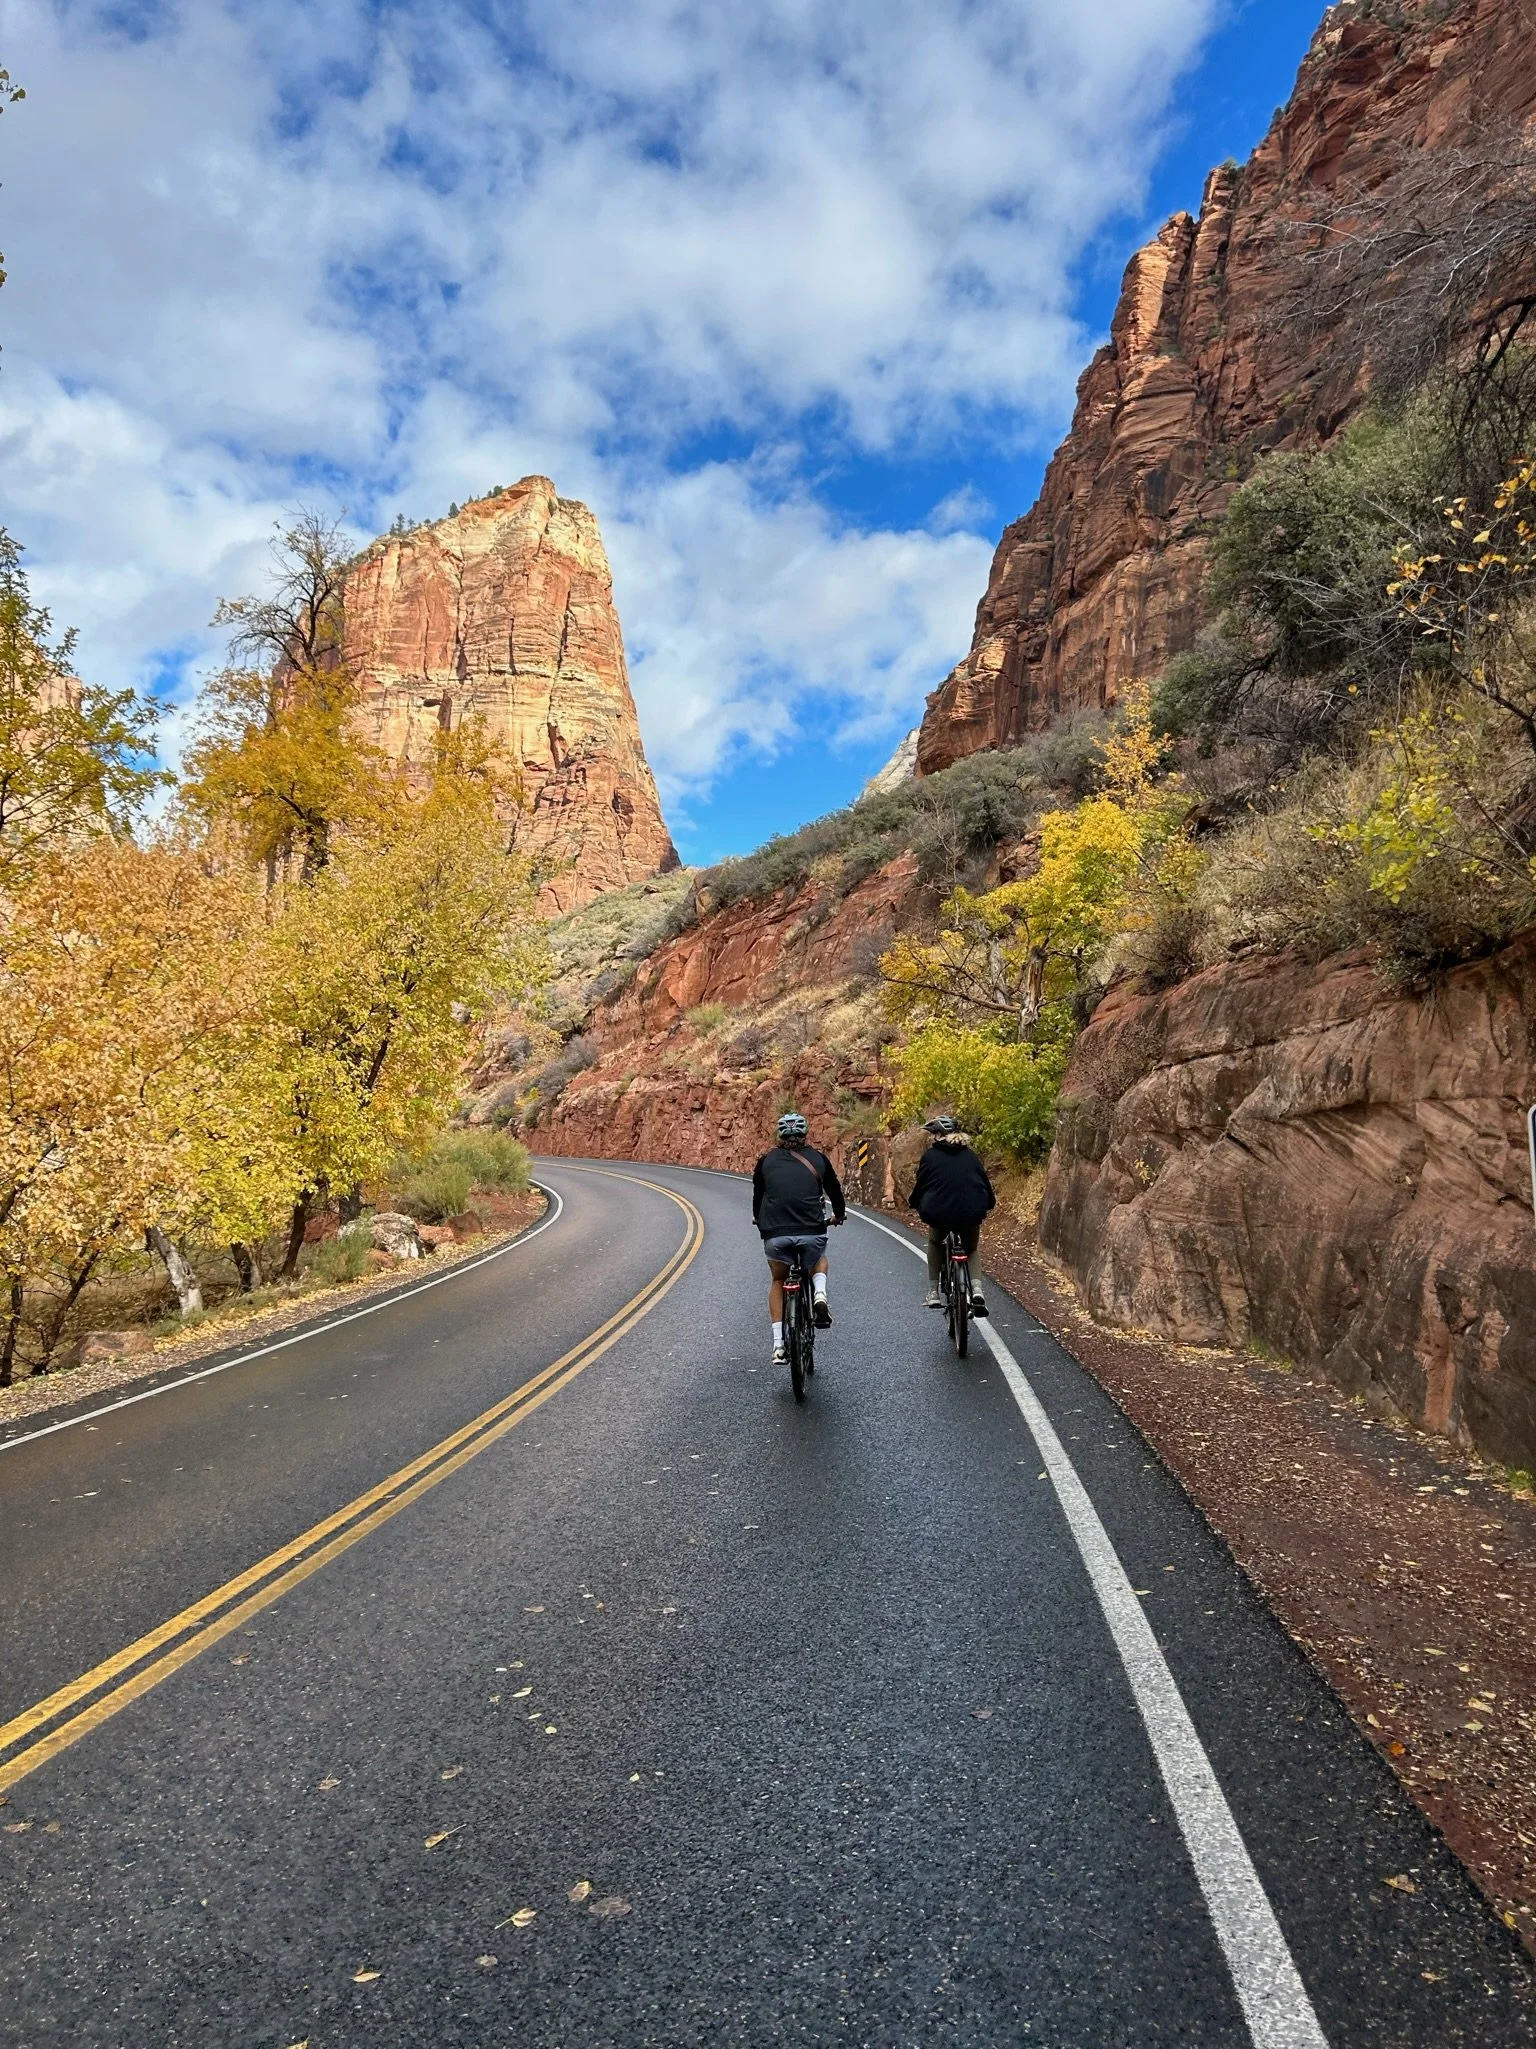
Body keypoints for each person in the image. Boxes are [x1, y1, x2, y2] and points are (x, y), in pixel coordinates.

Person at [752, 1112, 846, 1364]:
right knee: (818, 1258)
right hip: (811, 1231)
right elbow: (834, 1190)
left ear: (779, 1136)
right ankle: (820, 1295)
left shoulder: (765, 1161)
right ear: (805, 1134)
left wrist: (758, 1219)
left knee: (778, 1280)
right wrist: (839, 1214)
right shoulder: (819, 1159)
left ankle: (778, 1345)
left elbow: (758, 1196)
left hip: (776, 1235)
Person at [908, 1114, 995, 1317]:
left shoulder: (930, 1156)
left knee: (935, 1241)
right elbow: (984, 1183)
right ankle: (978, 1292)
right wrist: (989, 1203)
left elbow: (921, 1185)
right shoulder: (970, 1155)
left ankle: (933, 1292)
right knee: (971, 1249)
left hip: (939, 1212)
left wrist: (913, 1202)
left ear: (939, 1135)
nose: (931, 1139)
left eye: (933, 1134)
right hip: (971, 1211)